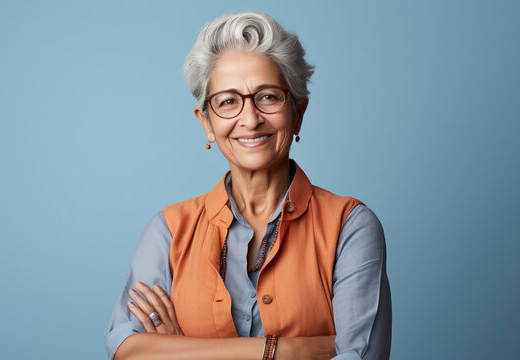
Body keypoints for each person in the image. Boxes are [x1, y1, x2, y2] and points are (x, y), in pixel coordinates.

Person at [105, 11, 391, 360]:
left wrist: (181, 348)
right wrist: (286, 351)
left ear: (298, 112)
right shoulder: (168, 230)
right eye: (228, 102)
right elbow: (128, 350)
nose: (250, 119)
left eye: (268, 96)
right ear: (206, 123)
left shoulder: (351, 226)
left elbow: (359, 357)